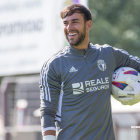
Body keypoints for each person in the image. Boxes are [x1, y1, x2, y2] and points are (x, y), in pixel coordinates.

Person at [39, 4, 140, 140]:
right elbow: (47, 112)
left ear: (88, 25)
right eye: (65, 23)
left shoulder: (108, 55)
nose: (69, 28)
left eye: (75, 22)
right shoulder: (54, 65)